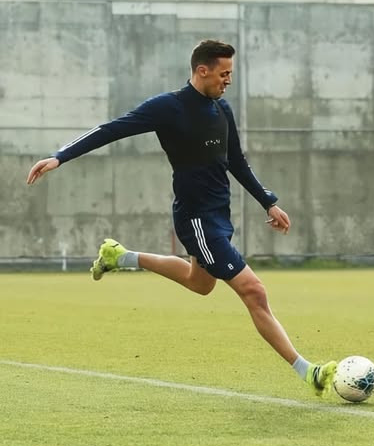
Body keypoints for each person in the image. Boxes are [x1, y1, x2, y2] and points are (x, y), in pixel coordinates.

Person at [26, 39, 337, 394]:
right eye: (223, 74)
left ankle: (120, 256)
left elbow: (236, 162)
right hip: (196, 220)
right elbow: (112, 129)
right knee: (254, 291)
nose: (228, 80)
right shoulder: (168, 107)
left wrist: (268, 202)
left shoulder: (222, 110)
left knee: (200, 284)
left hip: (219, 215)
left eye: (231, 73)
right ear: (202, 70)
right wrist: (60, 156)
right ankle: (308, 371)